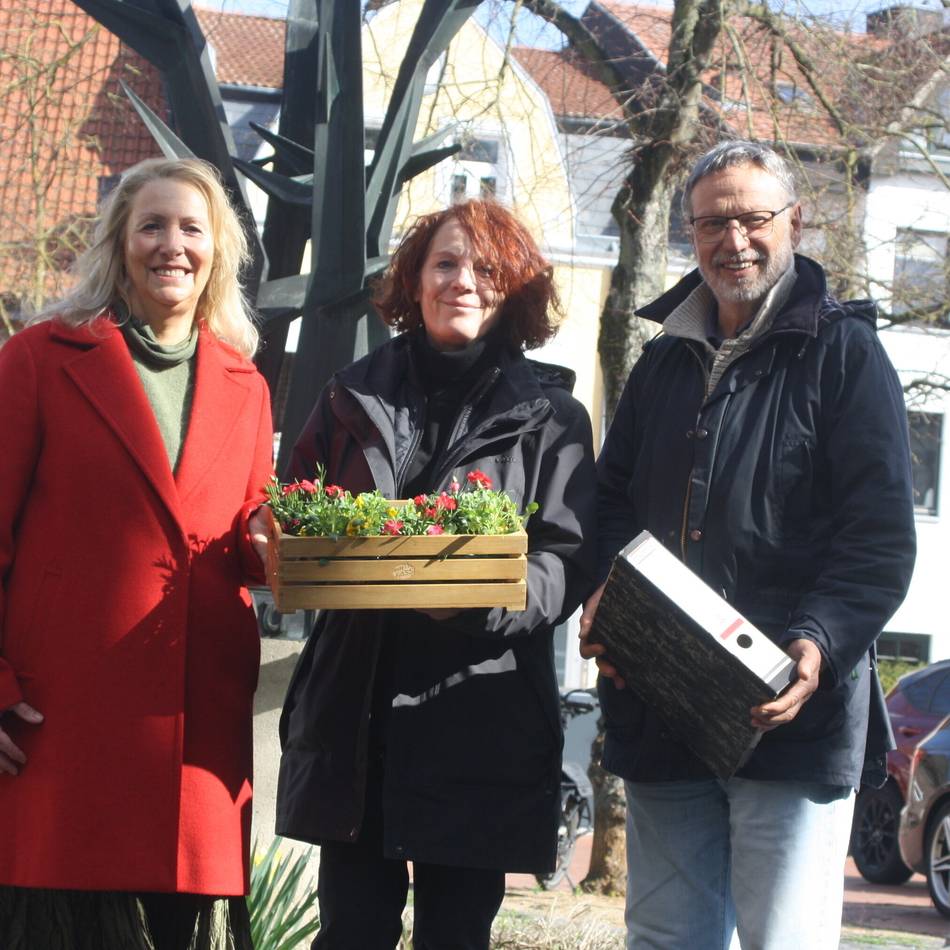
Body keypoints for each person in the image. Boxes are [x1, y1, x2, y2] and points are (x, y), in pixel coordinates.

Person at [580, 141, 916, 950]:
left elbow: (877, 537)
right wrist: (605, 601)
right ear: (688, 236)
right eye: (711, 223)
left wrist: (820, 640)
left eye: (753, 217)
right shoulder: (662, 363)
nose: (733, 240)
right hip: (664, 709)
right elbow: (609, 506)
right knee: (665, 939)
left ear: (794, 222)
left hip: (792, 721)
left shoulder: (846, 355)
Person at [275, 199, 596, 949]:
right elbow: (296, 509)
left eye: (486, 269)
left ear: (515, 288)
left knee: (456, 935)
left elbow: (567, 559)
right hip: (356, 716)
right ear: (413, 280)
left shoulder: (551, 414)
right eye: (444, 263)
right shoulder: (349, 392)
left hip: (479, 719)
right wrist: (285, 539)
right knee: (350, 932)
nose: (463, 282)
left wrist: (476, 605)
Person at [0, 157, 274, 950]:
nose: (172, 245)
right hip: (61, 731)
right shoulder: (40, 360)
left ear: (218, 249)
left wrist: (274, 538)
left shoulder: (246, 384)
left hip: (195, 743)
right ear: (118, 243)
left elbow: (245, 524)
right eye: (151, 225)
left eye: (192, 228)